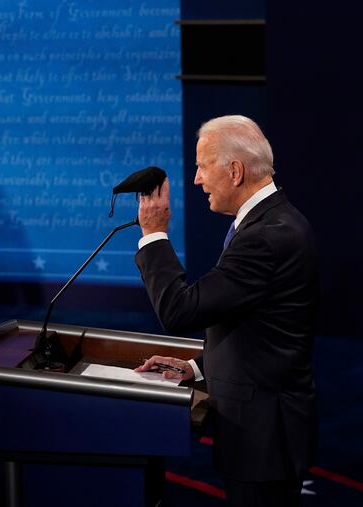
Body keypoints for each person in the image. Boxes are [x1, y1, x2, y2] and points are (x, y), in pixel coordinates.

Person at [133, 115, 318, 507]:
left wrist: (153, 234)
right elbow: (255, 326)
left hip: (264, 439)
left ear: (234, 171)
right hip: (265, 431)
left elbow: (179, 310)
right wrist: (198, 367)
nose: (197, 180)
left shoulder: (266, 238)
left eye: (201, 166)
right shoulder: (270, 222)